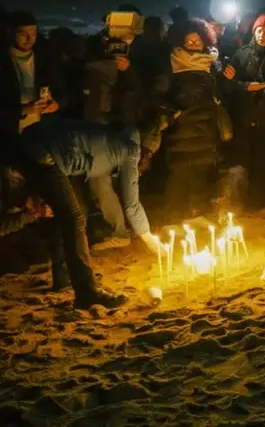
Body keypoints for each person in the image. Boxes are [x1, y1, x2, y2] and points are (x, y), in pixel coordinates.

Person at [9, 118, 167, 309]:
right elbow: (131, 205)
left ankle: (66, 276)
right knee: (74, 219)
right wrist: (150, 240)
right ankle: (87, 293)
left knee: (69, 214)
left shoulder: (111, 138)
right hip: (47, 155)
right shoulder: (130, 151)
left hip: (37, 142)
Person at [158, 19, 225, 219]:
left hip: (205, 130)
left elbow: (220, 92)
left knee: (200, 175)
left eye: (198, 40)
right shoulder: (172, 63)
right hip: (181, 129)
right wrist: (172, 111)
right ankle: (174, 216)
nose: (195, 44)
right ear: (181, 41)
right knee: (178, 175)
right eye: (190, 41)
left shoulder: (212, 65)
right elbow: (157, 93)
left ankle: (198, 217)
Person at [225, 13, 265, 214]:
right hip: (244, 115)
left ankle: (263, 201)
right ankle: (241, 202)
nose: (262, 35)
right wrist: (250, 87)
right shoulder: (241, 54)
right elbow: (231, 84)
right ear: (254, 31)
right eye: (260, 31)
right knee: (243, 160)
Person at [3, 11, 62, 137]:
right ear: (10, 32)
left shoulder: (45, 60)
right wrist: (22, 110)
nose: (29, 39)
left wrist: (56, 103)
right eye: (23, 34)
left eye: (33, 34)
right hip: (8, 132)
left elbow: (61, 90)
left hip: (41, 131)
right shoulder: (4, 62)